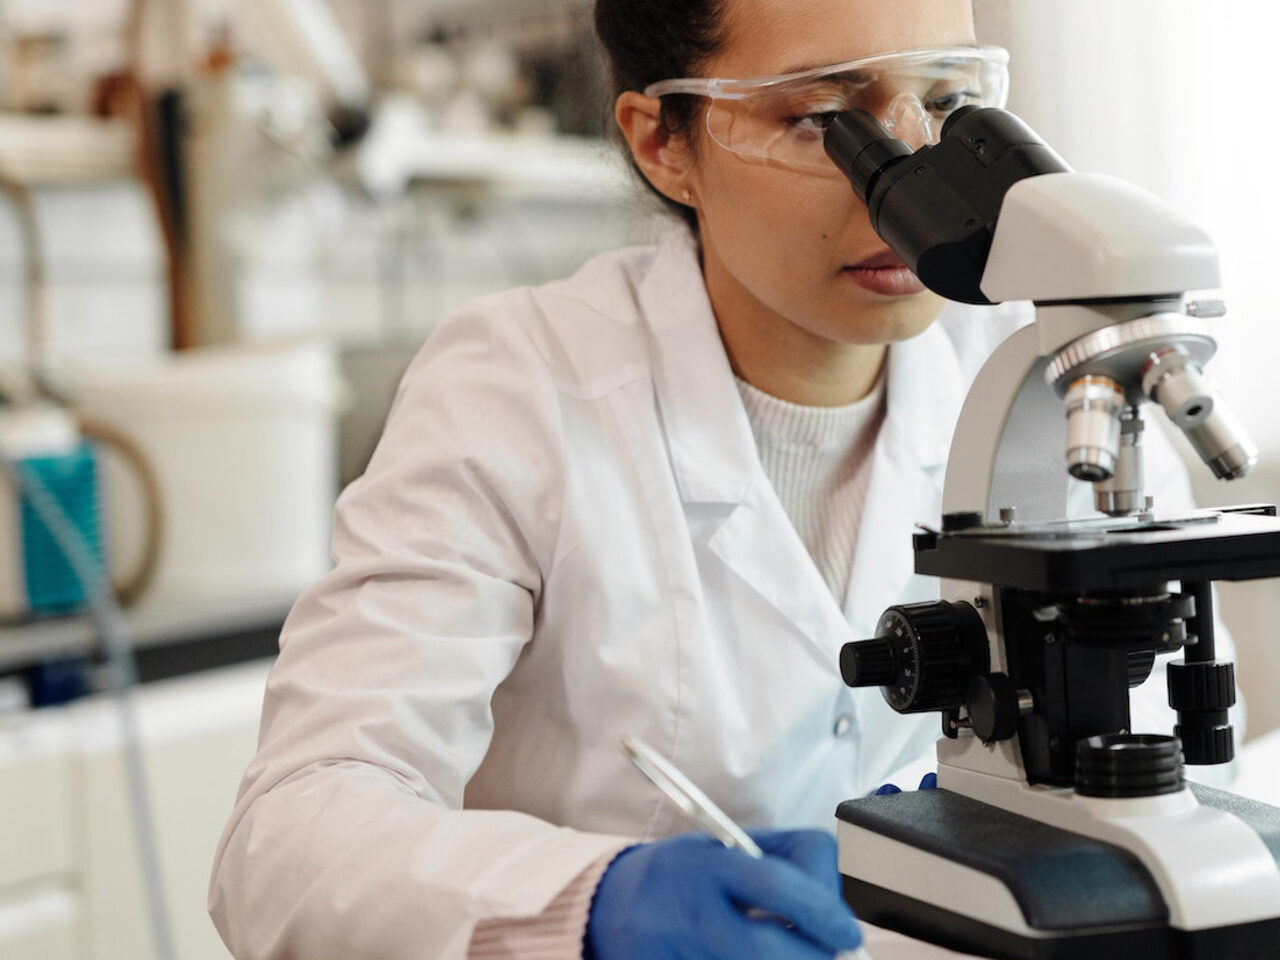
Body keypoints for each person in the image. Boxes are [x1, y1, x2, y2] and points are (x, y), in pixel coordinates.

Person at [208, 1, 1223, 957]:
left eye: (949, 104)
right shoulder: (517, 389)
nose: (912, 174)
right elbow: (287, 841)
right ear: (662, 142)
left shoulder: (1045, 379)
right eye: (822, 117)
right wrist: (591, 905)